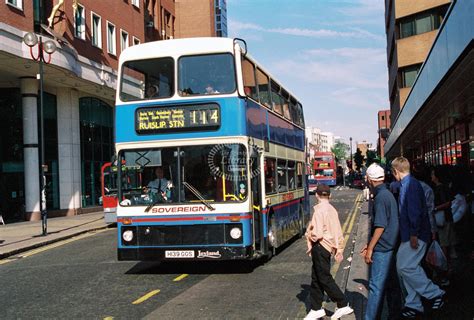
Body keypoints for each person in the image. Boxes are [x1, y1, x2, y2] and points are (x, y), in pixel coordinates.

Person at [391, 157, 445, 319]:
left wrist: (414, 234)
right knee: (405, 267)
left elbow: (414, 212)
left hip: (415, 235)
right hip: (412, 234)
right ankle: (414, 304)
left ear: (396, 171)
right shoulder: (409, 184)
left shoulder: (410, 186)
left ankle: (435, 293)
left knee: (406, 267)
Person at [304, 184, 353, 320]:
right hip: (328, 247)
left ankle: (343, 303)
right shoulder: (332, 210)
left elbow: (317, 234)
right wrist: (339, 249)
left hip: (320, 246)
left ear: (317, 195)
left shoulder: (319, 211)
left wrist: (309, 233)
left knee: (324, 277)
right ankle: (316, 308)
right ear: (329, 195)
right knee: (316, 278)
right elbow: (338, 232)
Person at [361, 163, 401, 320]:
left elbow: (380, 226)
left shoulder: (381, 197)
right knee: (392, 285)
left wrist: (370, 248)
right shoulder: (387, 193)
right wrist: (370, 243)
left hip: (383, 249)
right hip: (390, 246)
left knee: (375, 287)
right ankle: (395, 314)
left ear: (370, 180)